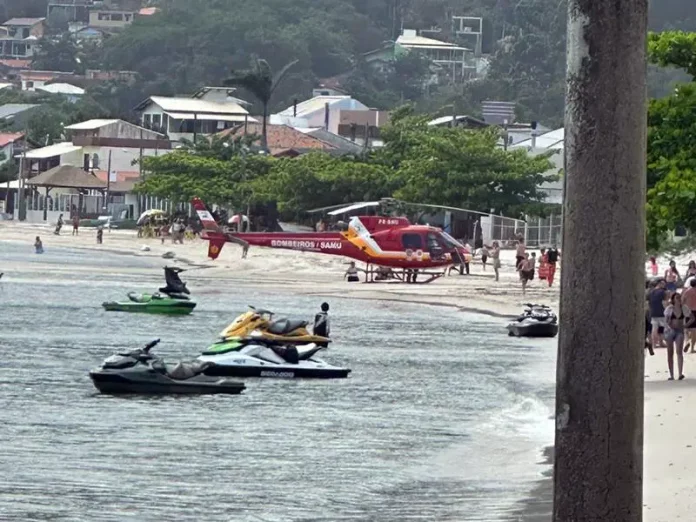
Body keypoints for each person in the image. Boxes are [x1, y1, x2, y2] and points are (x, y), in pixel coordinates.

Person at [664, 292, 694, 380]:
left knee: (679, 352)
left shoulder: (684, 308)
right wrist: (669, 325)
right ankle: (671, 374)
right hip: (670, 331)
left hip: (679, 331)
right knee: (670, 353)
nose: (679, 299)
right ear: (673, 299)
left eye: (679, 298)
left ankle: (680, 373)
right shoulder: (669, 309)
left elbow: (692, 318)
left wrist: (686, 325)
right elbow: (665, 321)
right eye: (677, 298)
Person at [648, 279, 668, 353]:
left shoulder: (651, 292)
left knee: (654, 328)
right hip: (661, 311)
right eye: (663, 283)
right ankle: (661, 342)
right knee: (662, 328)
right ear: (660, 283)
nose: (664, 285)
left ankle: (654, 344)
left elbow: (649, 302)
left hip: (653, 311)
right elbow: (665, 302)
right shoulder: (663, 292)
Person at [682, 278, 696, 353]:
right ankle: (692, 348)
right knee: (694, 330)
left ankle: (687, 341)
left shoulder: (687, 291)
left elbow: (682, 301)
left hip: (688, 311)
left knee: (687, 328)